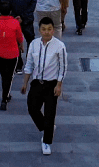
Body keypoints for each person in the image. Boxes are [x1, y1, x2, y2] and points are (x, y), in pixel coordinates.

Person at [21, 17, 67, 156]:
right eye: (43, 29)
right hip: (37, 82)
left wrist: (59, 85)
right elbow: (29, 64)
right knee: (32, 108)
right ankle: (47, 127)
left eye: (49, 29)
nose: (46, 32)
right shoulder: (34, 44)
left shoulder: (59, 46)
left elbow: (63, 67)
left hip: (51, 84)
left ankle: (47, 141)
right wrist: (25, 83)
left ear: (53, 30)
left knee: (50, 113)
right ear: (39, 30)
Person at [0, 2, 26, 111]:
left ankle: (6, 93)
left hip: (0, 53)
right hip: (13, 53)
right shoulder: (15, 22)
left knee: (3, 75)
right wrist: (21, 46)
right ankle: (4, 98)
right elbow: (20, 37)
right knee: (10, 76)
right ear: (10, 11)